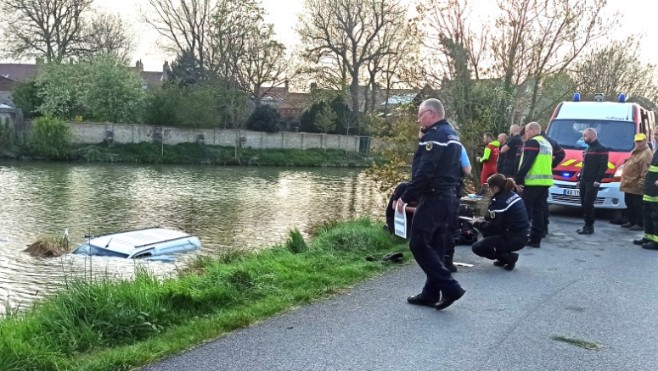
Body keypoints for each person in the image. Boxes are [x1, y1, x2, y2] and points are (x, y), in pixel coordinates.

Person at [395, 98, 465, 310]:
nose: (418, 120)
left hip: (434, 197)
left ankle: (450, 287)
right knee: (436, 245)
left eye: (420, 115)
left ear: (432, 113)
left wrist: (405, 197)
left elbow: (425, 171)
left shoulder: (435, 136)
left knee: (418, 243)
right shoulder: (453, 135)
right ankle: (430, 293)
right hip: (449, 197)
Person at [471, 174, 529, 270]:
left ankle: (507, 258)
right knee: (487, 233)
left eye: (490, 188)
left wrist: (477, 223)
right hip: (521, 234)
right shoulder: (512, 195)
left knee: (477, 248)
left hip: (514, 237)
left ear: (495, 188)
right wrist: (485, 221)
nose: (489, 190)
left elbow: (494, 226)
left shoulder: (500, 202)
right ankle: (504, 256)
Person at [514, 122, 553, 248]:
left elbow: (527, 162)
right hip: (545, 182)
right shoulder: (546, 143)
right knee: (539, 211)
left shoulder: (533, 142)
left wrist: (518, 179)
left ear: (532, 130)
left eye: (526, 131)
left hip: (533, 182)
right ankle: (536, 239)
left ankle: (520, 236)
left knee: (525, 210)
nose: (525, 134)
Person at [576, 128, 609, 235]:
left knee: (588, 204)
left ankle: (590, 227)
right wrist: (579, 178)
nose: (583, 138)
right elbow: (584, 166)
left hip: (592, 181)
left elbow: (603, 166)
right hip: (584, 180)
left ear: (591, 135)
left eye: (585, 136)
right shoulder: (587, 149)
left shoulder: (601, 149)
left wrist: (598, 180)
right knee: (583, 203)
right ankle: (586, 225)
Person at [620, 133, 653, 231]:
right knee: (630, 204)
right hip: (629, 184)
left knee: (637, 205)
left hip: (636, 185)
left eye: (640, 141)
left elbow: (645, 170)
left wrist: (641, 183)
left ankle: (639, 223)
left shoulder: (646, 153)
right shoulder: (637, 151)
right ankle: (632, 221)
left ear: (645, 141)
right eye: (636, 141)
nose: (638, 143)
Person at [635, 131, 658, 250]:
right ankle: (648, 237)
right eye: (655, 134)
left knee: (655, 215)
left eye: (657, 134)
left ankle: (656, 242)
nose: (655, 136)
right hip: (650, 188)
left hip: (656, 190)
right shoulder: (655, 148)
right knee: (647, 213)